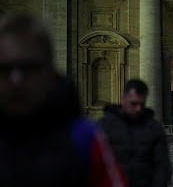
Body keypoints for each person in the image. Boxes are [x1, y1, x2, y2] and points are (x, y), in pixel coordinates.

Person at [0, 13, 126, 187]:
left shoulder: (86, 139)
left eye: (28, 68)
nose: (16, 80)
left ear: (50, 72)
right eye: (5, 69)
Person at [99, 79, 170, 187]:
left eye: (142, 104)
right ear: (123, 99)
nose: (138, 109)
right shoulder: (104, 127)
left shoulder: (154, 128)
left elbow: (162, 165)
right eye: (134, 103)